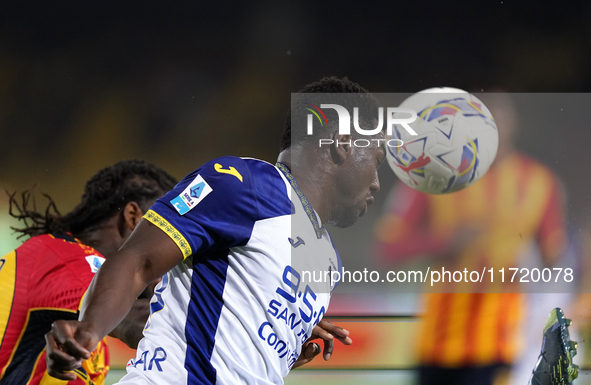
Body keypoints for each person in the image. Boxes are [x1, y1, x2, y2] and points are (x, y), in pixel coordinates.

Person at [44, 77, 383, 384]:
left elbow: (227, 343)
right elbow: (138, 260)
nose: (378, 183)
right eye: (376, 160)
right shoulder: (244, 184)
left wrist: (286, 351)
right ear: (343, 143)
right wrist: (89, 329)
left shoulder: (328, 261)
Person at [374, 93, 568, 385]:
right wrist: (445, 242)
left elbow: (554, 256)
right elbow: (388, 247)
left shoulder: (540, 182)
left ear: (514, 122)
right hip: (436, 343)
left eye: (499, 116)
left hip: (500, 344)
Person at [0, 160, 177, 385]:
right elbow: (141, 322)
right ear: (133, 217)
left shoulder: (53, 257)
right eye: (166, 231)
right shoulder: (74, 263)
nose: (172, 254)